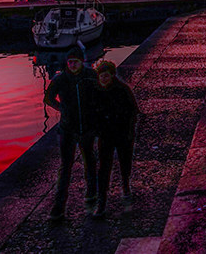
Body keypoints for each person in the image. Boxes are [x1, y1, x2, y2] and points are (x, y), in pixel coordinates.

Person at [43, 47, 99, 221]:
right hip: (67, 129)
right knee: (65, 167)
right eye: (70, 62)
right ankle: (59, 206)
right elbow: (48, 98)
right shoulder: (60, 79)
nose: (73, 64)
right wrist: (62, 109)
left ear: (82, 61)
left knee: (89, 162)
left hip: (87, 128)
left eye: (76, 61)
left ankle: (91, 195)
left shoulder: (91, 75)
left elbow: (102, 93)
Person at [91, 59, 139, 219]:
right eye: (101, 76)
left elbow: (133, 111)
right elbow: (91, 113)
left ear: (112, 76)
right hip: (105, 136)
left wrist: (130, 131)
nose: (104, 79)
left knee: (125, 163)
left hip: (122, 134)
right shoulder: (96, 92)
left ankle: (125, 187)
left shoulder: (122, 90)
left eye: (106, 76)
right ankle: (102, 203)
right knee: (104, 169)